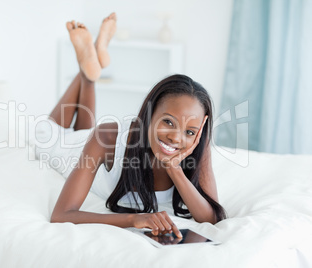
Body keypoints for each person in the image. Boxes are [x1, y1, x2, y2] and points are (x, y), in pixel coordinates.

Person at [35, 12, 226, 238]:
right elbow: (62, 215)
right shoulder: (106, 137)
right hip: (73, 149)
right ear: (149, 113)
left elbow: (212, 218)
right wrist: (134, 219)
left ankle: (90, 67)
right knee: (47, 133)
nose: (177, 138)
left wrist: (174, 168)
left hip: (89, 141)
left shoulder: (195, 145)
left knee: (84, 130)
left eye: (189, 131)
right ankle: (88, 67)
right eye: (168, 122)